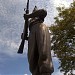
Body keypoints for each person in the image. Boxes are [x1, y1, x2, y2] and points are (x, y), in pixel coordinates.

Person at [24, 6, 54, 75]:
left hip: (40, 27)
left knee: (43, 51)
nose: (34, 11)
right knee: (32, 58)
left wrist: (28, 16)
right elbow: (26, 35)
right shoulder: (29, 21)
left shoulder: (38, 16)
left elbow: (43, 11)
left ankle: (46, 72)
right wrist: (24, 37)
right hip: (31, 32)